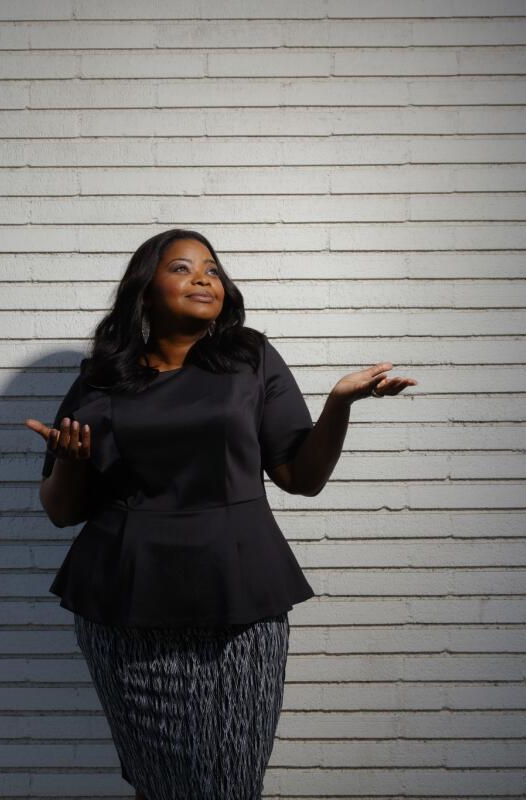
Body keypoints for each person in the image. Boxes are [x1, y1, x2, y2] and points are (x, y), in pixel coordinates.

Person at [23, 229, 417, 800]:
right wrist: (71, 464)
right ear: (146, 290)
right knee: (161, 784)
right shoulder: (101, 378)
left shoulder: (250, 357)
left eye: (211, 268)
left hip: (240, 598)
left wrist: (338, 403)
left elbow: (301, 479)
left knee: (230, 779)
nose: (204, 277)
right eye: (181, 268)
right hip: (124, 604)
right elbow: (63, 513)